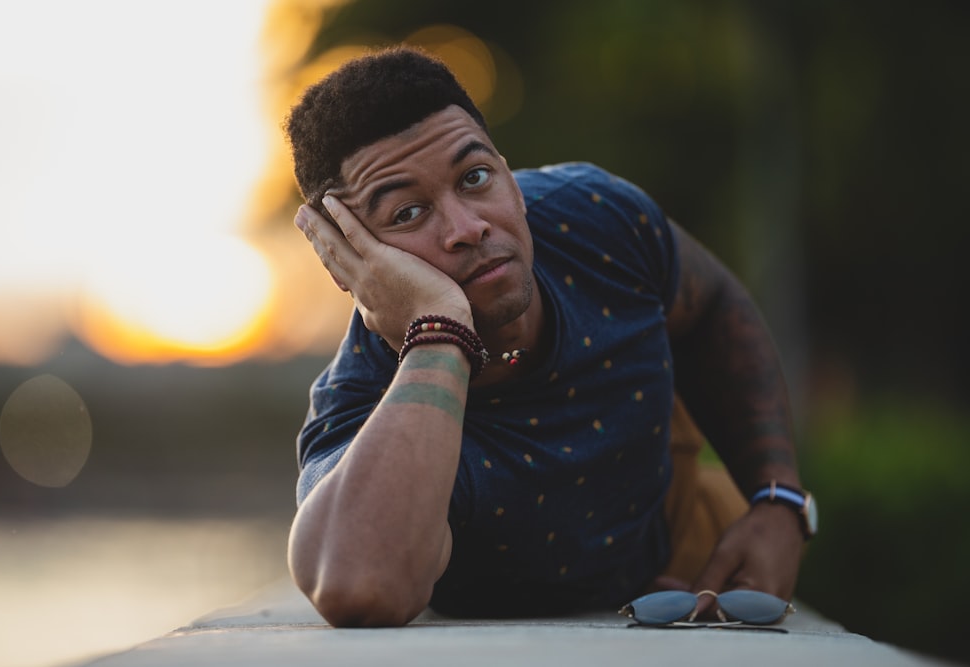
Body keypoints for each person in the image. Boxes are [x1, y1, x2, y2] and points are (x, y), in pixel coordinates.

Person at [284, 45, 815, 628]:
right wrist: (439, 329)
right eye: (407, 214)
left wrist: (779, 501)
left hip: (690, 545)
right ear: (349, 259)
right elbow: (362, 583)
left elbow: (713, 303)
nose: (467, 227)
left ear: (511, 178)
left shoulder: (592, 219)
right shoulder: (366, 407)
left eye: (476, 177)